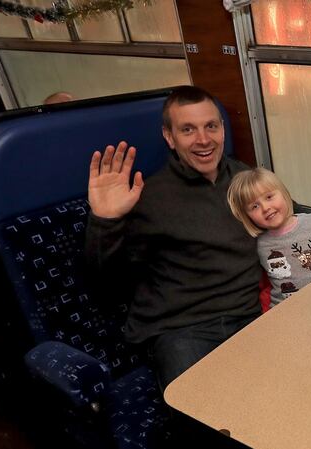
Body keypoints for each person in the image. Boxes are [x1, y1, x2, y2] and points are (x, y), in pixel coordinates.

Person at [85, 86, 261, 392]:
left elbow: (289, 222)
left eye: (211, 126)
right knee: (197, 407)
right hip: (183, 327)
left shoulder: (245, 180)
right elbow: (107, 283)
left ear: (222, 129)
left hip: (250, 314)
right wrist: (106, 220)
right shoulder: (149, 197)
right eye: (188, 130)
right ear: (170, 137)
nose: (203, 139)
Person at [227, 167, 311, 308]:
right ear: (248, 217)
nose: (265, 208)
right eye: (254, 206)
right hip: (284, 310)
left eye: (269, 197)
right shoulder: (258, 245)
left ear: (284, 193)